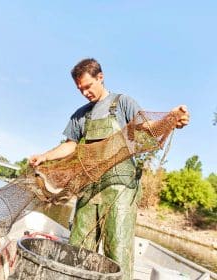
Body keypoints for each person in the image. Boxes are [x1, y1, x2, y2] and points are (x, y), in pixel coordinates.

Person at [29, 58, 189, 279]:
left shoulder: (122, 103)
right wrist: (45, 156)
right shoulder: (81, 114)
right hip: (89, 186)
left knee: (118, 248)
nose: (85, 92)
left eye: (88, 86)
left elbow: (146, 127)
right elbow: (70, 144)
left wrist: (171, 119)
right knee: (79, 246)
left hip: (120, 187)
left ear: (100, 77)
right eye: (80, 89)